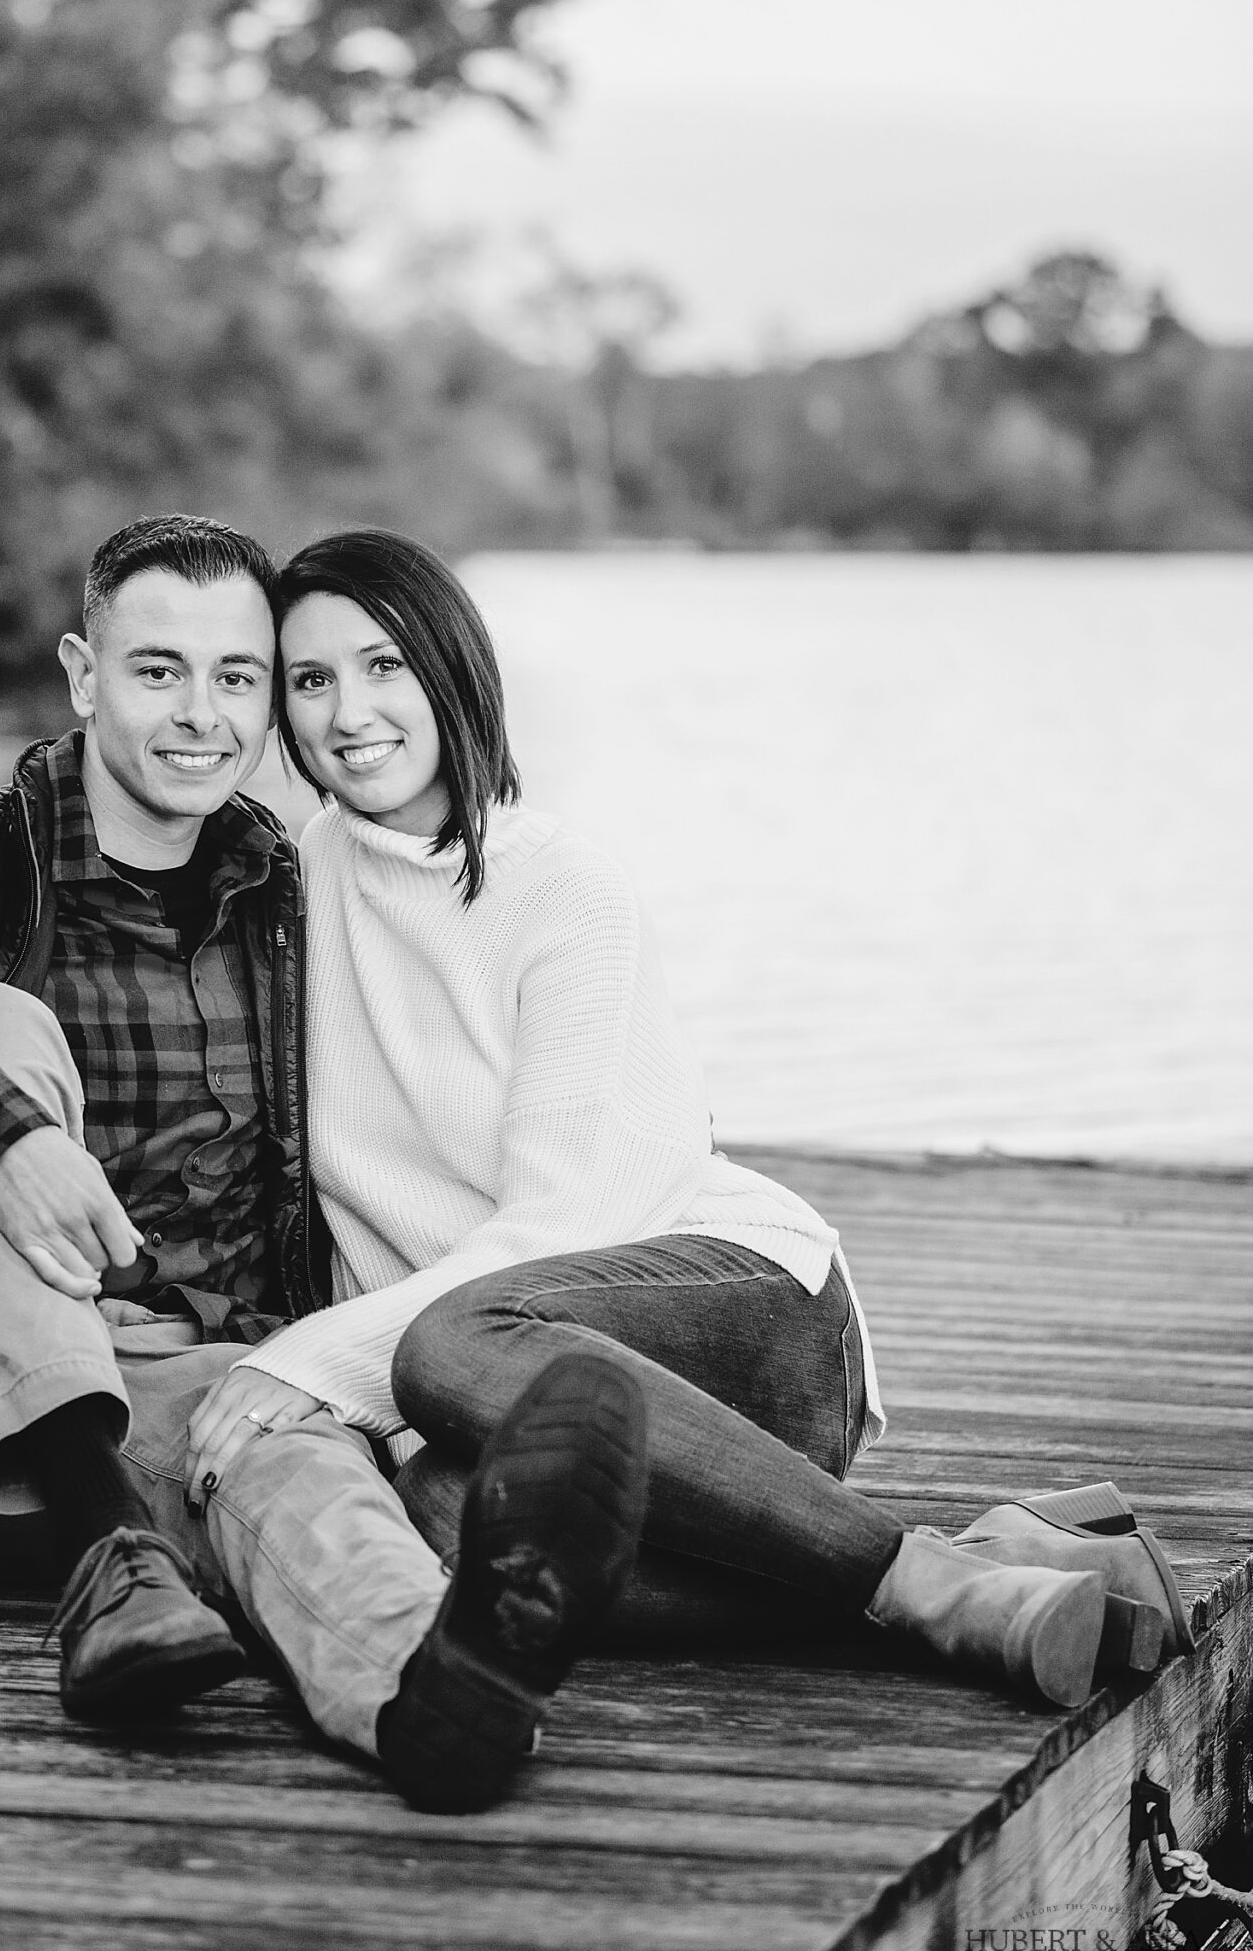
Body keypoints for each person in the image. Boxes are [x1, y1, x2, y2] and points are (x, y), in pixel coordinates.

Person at [0, 513, 653, 1817]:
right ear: (82, 675)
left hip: (199, 1386)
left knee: (297, 1449)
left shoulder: (277, 881)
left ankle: (437, 1694)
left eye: (238, 676)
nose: (202, 714)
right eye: (158, 669)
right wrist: (9, 1144)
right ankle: (107, 1546)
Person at [193, 526, 1193, 1703]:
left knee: (453, 1341)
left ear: (452, 667)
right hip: (505, 1382)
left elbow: (568, 1224)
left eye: (384, 665)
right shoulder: (295, 882)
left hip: (738, 1323)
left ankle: (921, 1578)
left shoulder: (565, 891)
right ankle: (983, 1565)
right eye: (311, 678)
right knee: (445, 1525)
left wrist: (312, 1363)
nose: (348, 711)